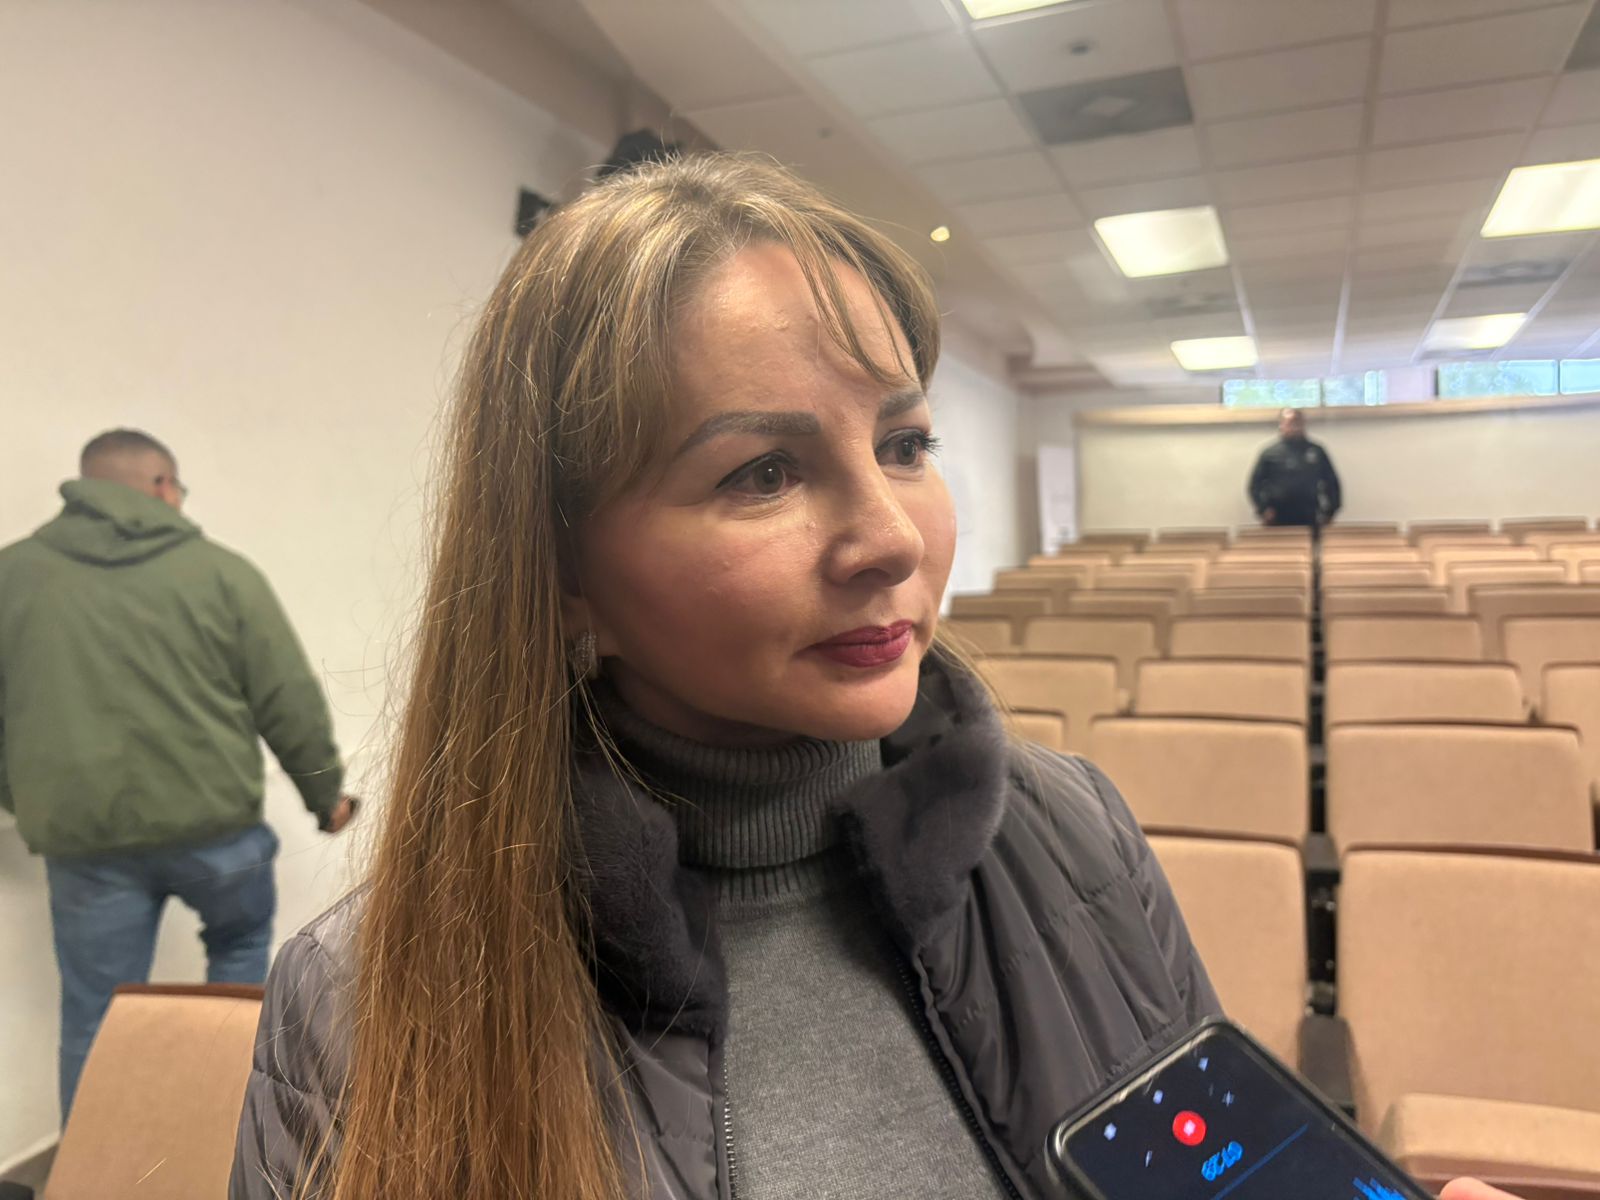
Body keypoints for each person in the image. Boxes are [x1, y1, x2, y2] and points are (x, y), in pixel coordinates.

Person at [228, 156, 1525, 1200]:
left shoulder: (1072, 830)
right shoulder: (361, 1002)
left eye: (905, 443)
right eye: (763, 473)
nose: (893, 536)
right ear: (564, 572)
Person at [0, 429, 356, 1118]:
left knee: (96, 1015)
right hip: (217, 835)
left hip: (86, 847)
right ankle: (225, 1141)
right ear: (162, 486)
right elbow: (286, 698)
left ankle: (93, 1169)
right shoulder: (221, 573)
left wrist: (33, 800)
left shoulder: (11, 577)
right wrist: (325, 796)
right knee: (239, 974)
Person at [1248, 407, 1342, 528]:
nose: (1294, 427)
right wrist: (1263, 510)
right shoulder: (1269, 453)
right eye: (1289, 423)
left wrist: (1330, 511)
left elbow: (1331, 483)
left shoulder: (1317, 451)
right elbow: (1254, 486)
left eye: (1297, 422)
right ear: (1281, 425)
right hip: (1277, 516)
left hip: (1310, 514)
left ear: (1303, 424)